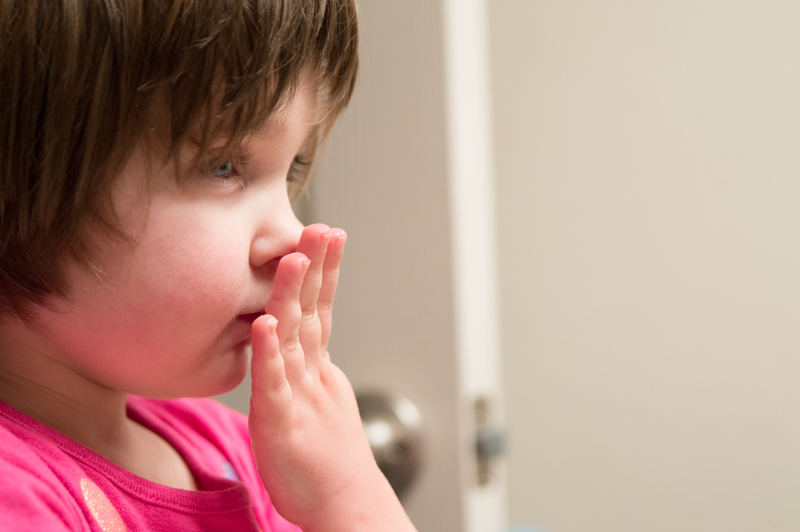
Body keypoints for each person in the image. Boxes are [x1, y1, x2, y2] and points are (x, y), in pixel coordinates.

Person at [0, 1, 417, 530]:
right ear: (25, 178)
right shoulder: (16, 496)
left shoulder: (239, 451)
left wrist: (348, 498)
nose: (292, 236)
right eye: (223, 167)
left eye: (293, 167)